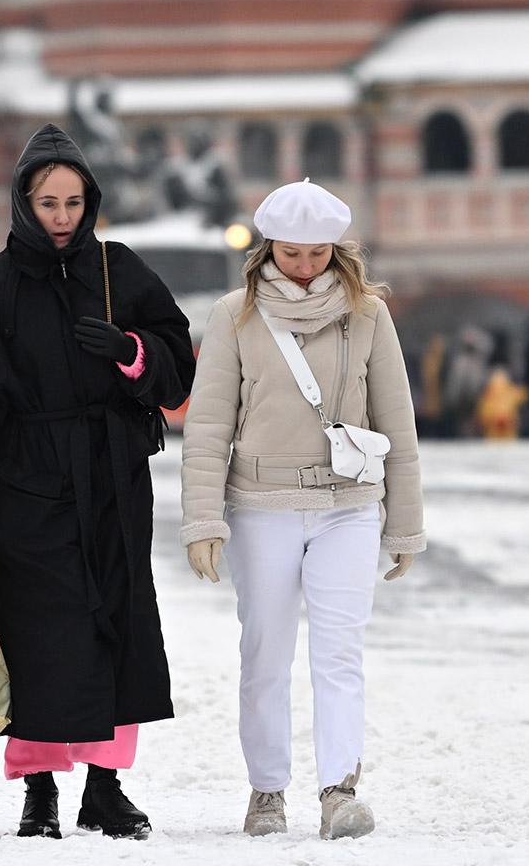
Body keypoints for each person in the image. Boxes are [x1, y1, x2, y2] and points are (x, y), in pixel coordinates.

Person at [0, 124, 196, 841]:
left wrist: (132, 352)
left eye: (74, 202)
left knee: (114, 621)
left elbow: (178, 360)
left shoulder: (122, 270)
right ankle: (39, 791)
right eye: (48, 202)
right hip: (26, 481)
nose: (62, 217)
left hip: (111, 473)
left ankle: (105, 788)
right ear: (23, 202)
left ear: (91, 201)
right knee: (37, 634)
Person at [179, 180, 424, 843]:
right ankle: (267, 790)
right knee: (265, 653)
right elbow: (206, 427)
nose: (306, 266)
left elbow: (397, 422)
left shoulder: (369, 315)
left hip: (349, 506)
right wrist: (204, 519)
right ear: (267, 248)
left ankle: (339, 791)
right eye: (292, 253)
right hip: (262, 506)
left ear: (338, 251)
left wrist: (404, 524)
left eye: (319, 254)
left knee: (340, 653)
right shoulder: (235, 315)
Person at [478, 363, 529, 441]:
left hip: (505, 436)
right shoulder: (488, 395)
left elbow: (524, 395)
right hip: (494, 436)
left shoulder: (488, 395)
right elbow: (483, 417)